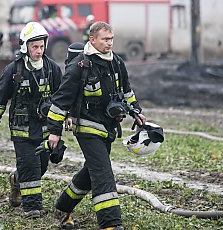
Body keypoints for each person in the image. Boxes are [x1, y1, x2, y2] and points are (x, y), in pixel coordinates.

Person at [46, 21, 146, 229]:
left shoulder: (116, 62)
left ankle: (63, 206)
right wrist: (54, 132)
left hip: (108, 128)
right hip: (87, 128)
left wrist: (136, 111)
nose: (109, 44)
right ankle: (110, 223)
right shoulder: (79, 66)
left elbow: (126, 90)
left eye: (111, 39)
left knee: (91, 173)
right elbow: (60, 102)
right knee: (103, 172)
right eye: (105, 40)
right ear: (92, 40)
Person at [0, 22, 63, 219]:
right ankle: (32, 207)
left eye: (42, 46)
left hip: (44, 128)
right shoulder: (14, 70)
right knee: (30, 166)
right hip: (22, 129)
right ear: (25, 47)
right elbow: (0, 97)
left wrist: (65, 119)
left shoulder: (52, 69)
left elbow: (62, 97)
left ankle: (17, 180)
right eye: (35, 47)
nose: (39, 50)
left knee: (41, 166)